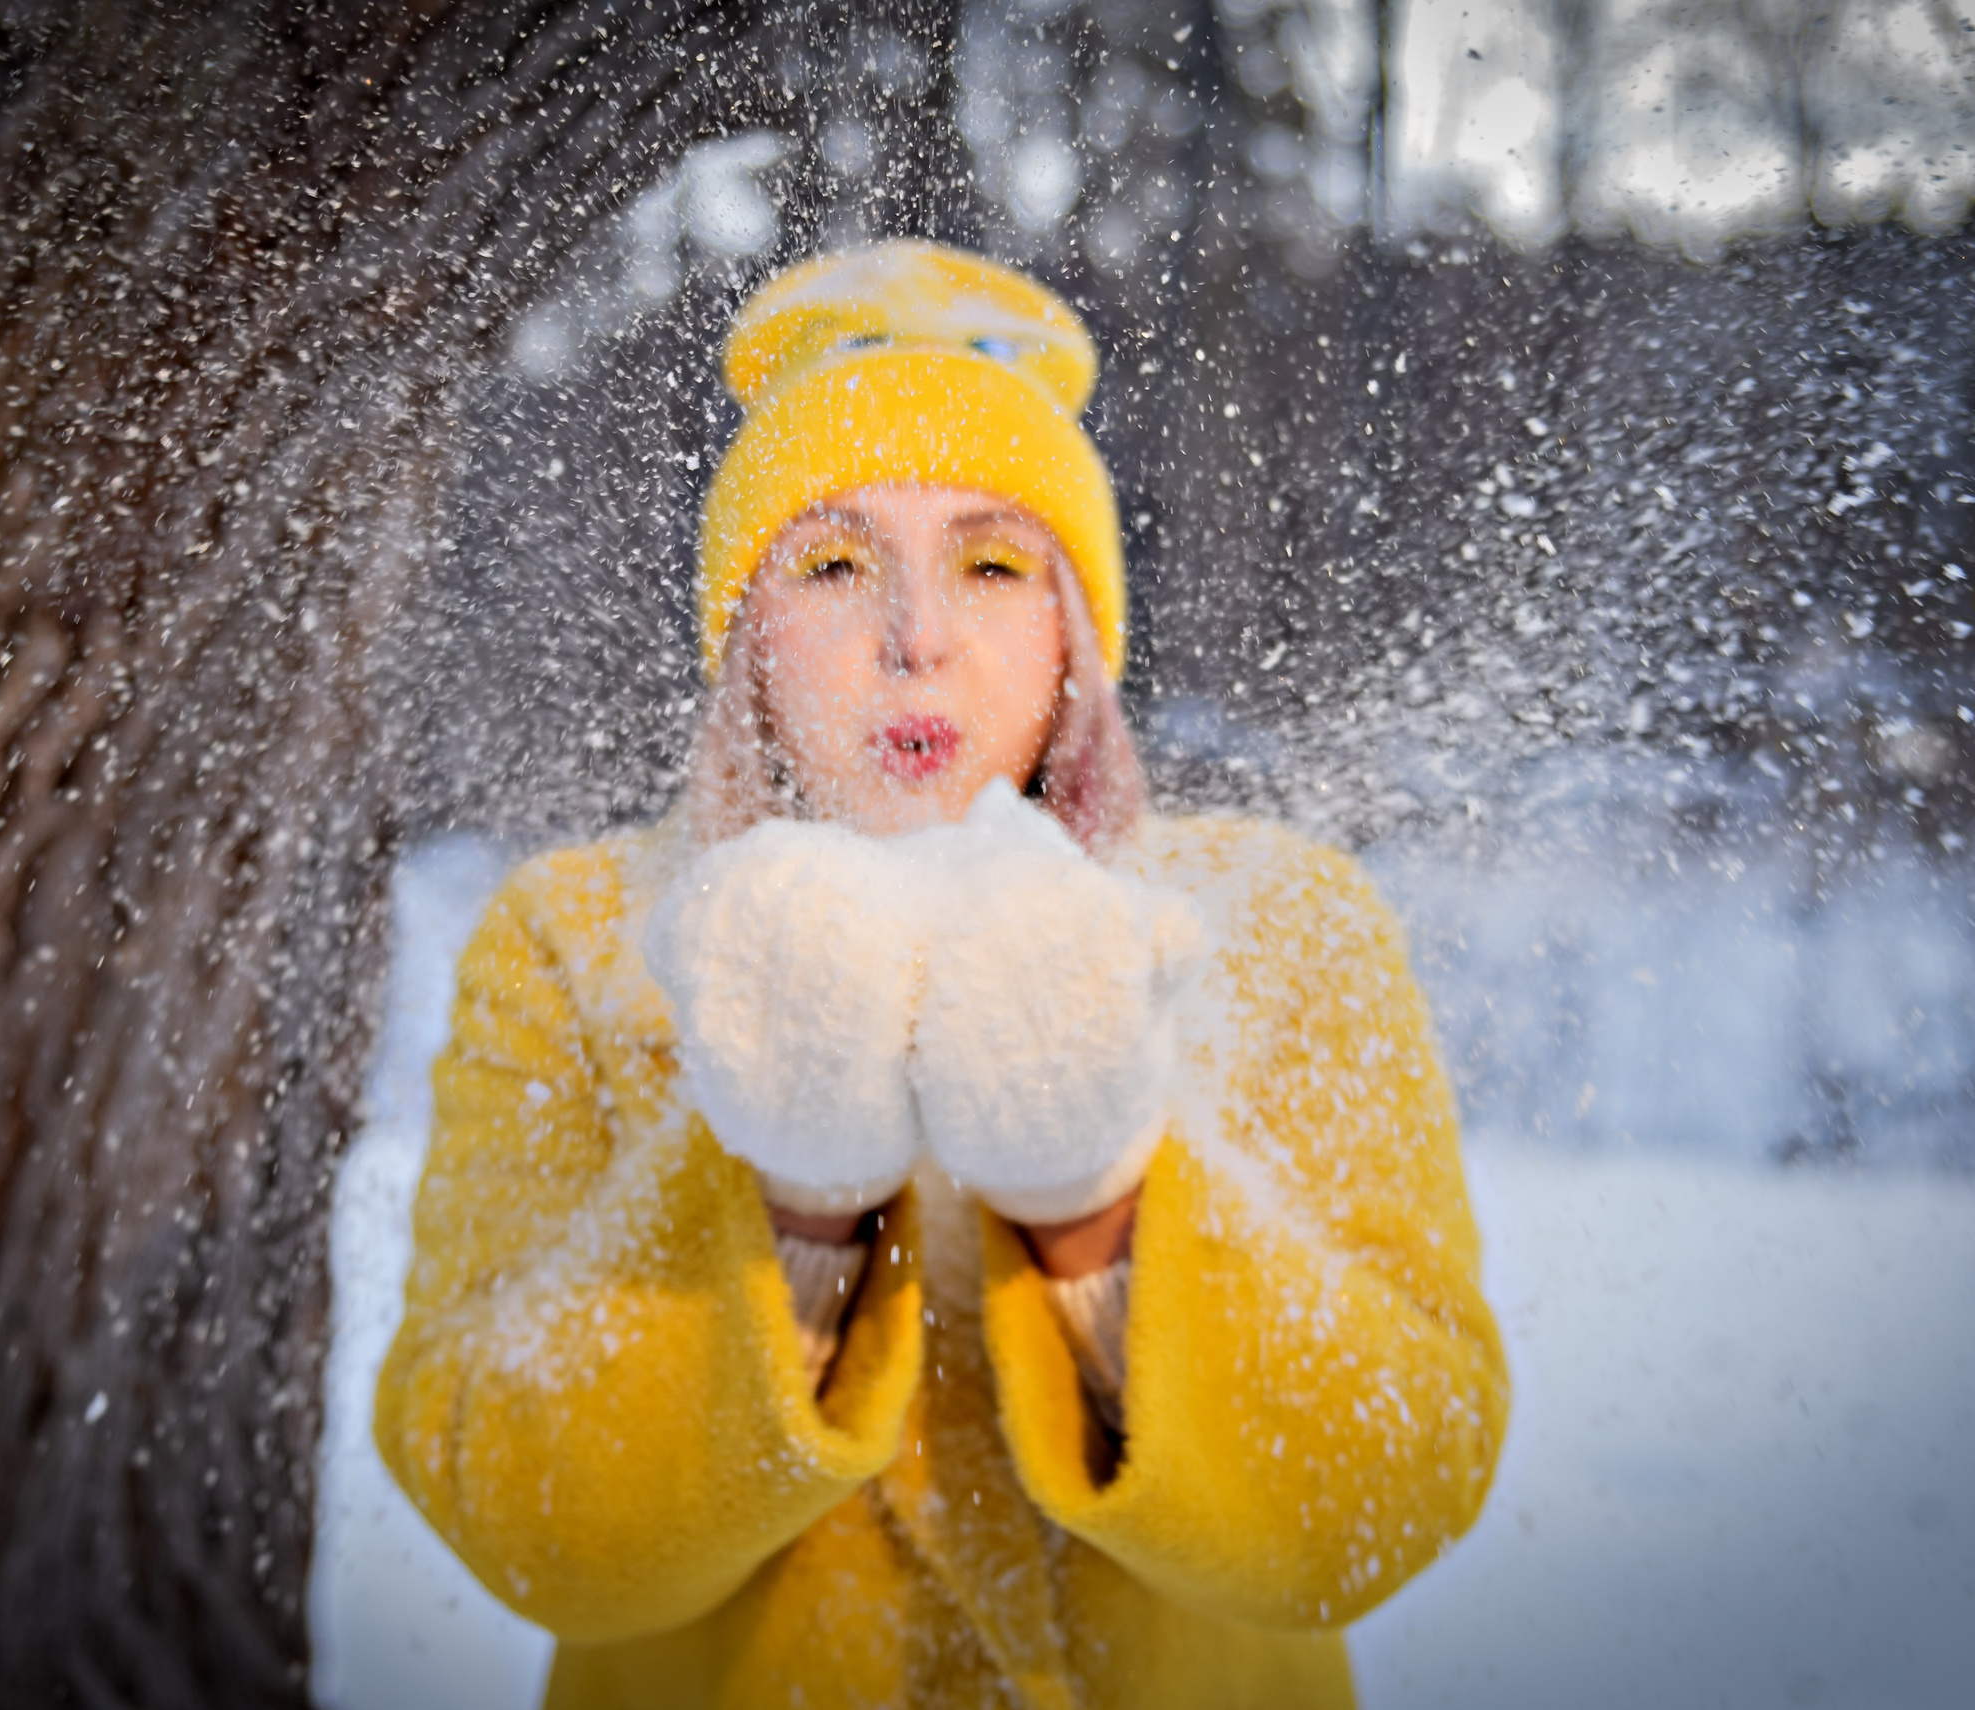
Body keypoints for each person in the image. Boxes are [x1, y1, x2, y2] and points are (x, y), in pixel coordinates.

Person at [374, 241, 1507, 1710]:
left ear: (1073, 635)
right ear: (745, 641)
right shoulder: (578, 941)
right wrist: (799, 1211)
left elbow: (1385, 1490)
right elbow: (517, 1515)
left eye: (991, 563)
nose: (917, 639)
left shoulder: (1279, 920)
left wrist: (1094, 1202)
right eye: (836, 564)